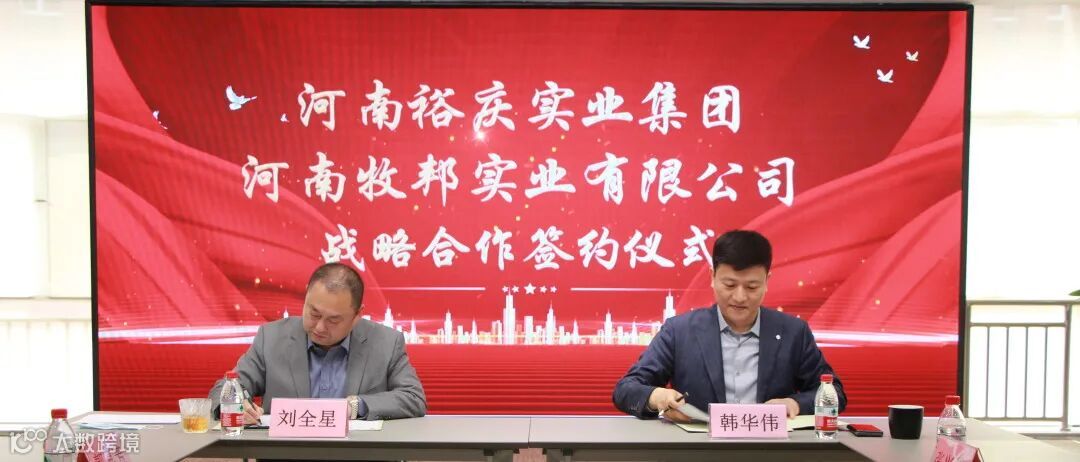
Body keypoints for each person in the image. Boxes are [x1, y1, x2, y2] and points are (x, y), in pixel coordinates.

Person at [613, 230, 846, 422]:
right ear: (712, 277)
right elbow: (626, 389)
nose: (740, 297)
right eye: (730, 285)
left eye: (752, 287)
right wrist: (657, 397)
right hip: (699, 452)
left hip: (772, 452)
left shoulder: (793, 332)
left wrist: (794, 403)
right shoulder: (679, 331)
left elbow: (834, 392)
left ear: (767, 281)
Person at [209, 262, 426, 422]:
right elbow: (223, 389)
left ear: (357, 316)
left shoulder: (386, 342)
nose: (320, 327)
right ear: (305, 299)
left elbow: (413, 398)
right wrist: (235, 405)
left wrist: (357, 406)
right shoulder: (271, 338)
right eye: (314, 313)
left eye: (333, 320)